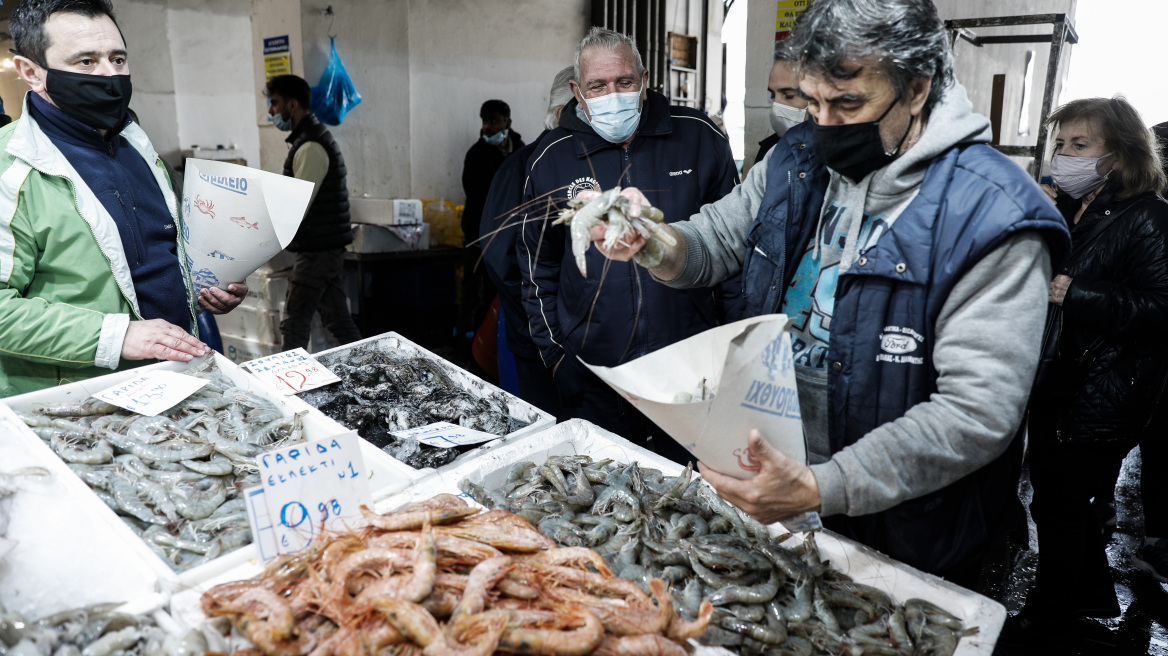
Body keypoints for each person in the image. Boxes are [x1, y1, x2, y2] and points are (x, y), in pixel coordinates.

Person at [584, 0, 1071, 584]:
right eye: (810, 103)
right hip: (776, 472)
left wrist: (823, 486)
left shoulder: (993, 215)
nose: (824, 126)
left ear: (917, 89)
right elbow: (714, 239)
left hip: (902, 516)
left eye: (848, 104)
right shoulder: (795, 161)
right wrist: (650, 241)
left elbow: (976, 413)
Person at [0, 0, 246, 397]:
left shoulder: (135, 142)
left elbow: (154, 254)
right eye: (86, 62)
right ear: (31, 72)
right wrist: (119, 336)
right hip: (80, 401)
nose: (109, 75)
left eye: (118, 59)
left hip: (178, 379)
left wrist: (205, 285)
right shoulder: (11, 169)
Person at [516, 28, 739, 461]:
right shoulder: (551, 157)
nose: (611, 94)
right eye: (597, 86)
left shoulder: (698, 138)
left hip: (690, 370)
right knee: (609, 499)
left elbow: (735, 255)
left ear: (645, 79)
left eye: (624, 82)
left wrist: (731, 353)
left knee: (692, 498)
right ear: (578, 93)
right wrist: (559, 358)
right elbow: (535, 270)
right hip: (597, 372)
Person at [1007, 97, 1168, 636]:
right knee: (1060, 501)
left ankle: (1048, 615)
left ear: (1119, 156)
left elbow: (1161, 307)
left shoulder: (1147, 216)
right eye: (1059, 144)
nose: (1064, 156)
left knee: (1060, 504)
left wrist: (1079, 295)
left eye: (1080, 145)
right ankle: (1092, 593)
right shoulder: (1074, 208)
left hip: (1106, 390)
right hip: (1060, 379)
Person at [479, 67, 574, 418]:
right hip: (536, 340)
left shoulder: (595, 165)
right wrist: (546, 321)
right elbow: (499, 255)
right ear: (564, 112)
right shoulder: (520, 167)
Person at [266, 74, 362, 352]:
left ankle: (287, 385)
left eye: (275, 103)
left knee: (295, 320)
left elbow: (298, 204)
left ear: (292, 105)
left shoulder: (311, 146)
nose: (271, 111)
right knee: (338, 321)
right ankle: (373, 365)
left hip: (318, 250)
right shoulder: (310, 139)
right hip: (324, 246)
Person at [460, 100, 526, 349]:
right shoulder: (475, 155)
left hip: (508, 236)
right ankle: (465, 339)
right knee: (471, 285)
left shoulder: (521, 150)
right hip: (478, 232)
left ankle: (491, 342)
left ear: (507, 123)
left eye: (494, 121)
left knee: (495, 288)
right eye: (485, 121)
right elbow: (476, 196)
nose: (488, 127)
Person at [755, 40, 808, 165]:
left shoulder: (836, 157)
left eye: (789, 96)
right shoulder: (769, 152)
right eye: (773, 95)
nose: (776, 105)